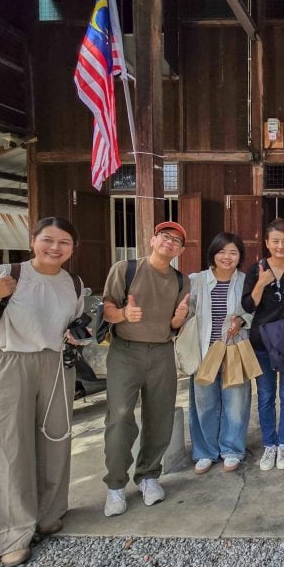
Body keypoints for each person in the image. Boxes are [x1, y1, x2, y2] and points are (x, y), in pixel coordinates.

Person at [0, 218, 84, 566]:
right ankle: (11, 532)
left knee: (55, 439)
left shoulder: (74, 282)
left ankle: (48, 514)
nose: (55, 248)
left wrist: (75, 334)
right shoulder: (5, 273)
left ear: (73, 247)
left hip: (55, 364)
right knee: (9, 446)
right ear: (33, 241)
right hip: (8, 361)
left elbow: (74, 323)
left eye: (64, 242)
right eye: (48, 240)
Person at [101, 221, 191, 518]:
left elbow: (175, 325)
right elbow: (108, 309)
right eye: (165, 237)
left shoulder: (180, 280)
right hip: (125, 351)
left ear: (180, 250)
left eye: (177, 241)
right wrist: (124, 313)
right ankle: (115, 484)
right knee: (120, 416)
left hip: (162, 351)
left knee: (160, 416)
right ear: (153, 240)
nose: (170, 243)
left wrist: (179, 318)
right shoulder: (125, 269)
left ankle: (149, 476)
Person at [187, 232, 255, 475]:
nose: (227, 257)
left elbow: (252, 310)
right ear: (213, 254)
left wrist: (242, 320)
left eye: (233, 252)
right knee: (204, 404)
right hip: (204, 351)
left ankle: (232, 449)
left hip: (234, 350)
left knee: (236, 404)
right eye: (222, 251)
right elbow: (187, 313)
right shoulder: (196, 280)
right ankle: (205, 451)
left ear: (240, 257)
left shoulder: (245, 281)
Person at [241, 218, 284, 472]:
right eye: (275, 241)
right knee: (266, 396)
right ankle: (270, 444)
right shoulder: (255, 270)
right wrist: (260, 283)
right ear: (267, 243)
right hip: (261, 343)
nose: (280, 246)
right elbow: (248, 306)